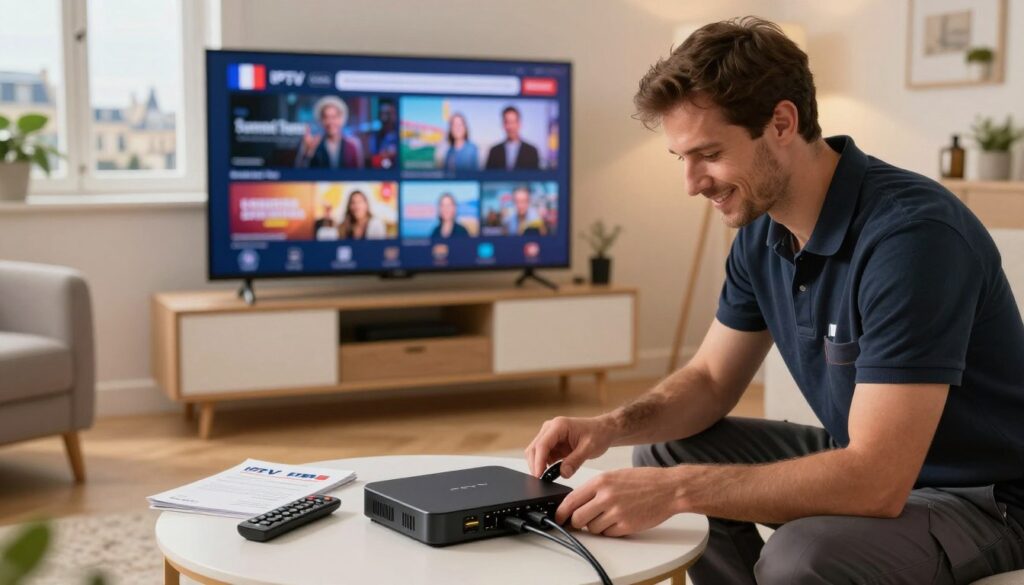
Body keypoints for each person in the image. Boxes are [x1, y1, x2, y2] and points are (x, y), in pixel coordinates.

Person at [524, 17, 1024, 585]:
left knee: (798, 555)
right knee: (668, 450)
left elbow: (877, 481)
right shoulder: (762, 231)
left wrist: (679, 491)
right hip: (867, 455)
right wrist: (609, 426)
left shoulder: (912, 238)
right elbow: (711, 380)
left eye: (709, 153)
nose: (692, 183)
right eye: (681, 158)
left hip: (986, 497)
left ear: (782, 123)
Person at [295, 96, 364, 169]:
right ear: (321, 120)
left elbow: (359, 172)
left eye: (334, 117)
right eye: (326, 117)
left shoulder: (353, 145)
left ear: (342, 119)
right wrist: (307, 152)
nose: (330, 122)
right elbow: (299, 171)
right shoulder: (314, 143)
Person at [485, 106, 540, 170]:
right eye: (507, 122)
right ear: (503, 125)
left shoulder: (532, 151)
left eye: (513, 122)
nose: (510, 127)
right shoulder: (494, 152)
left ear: (519, 124)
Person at [367, 98, 398, 169]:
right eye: (382, 114)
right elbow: (374, 160)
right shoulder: (375, 136)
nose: (384, 118)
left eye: (388, 114)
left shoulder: (400, 135)